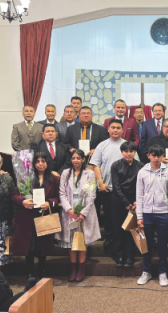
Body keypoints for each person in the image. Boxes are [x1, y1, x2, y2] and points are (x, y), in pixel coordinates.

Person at [90, 119, 140, 249]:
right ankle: (109, 238)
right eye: (113, 127)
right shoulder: (102, 145)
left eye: (118, 128)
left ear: (123, 130)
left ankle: (124, 242)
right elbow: (95, 165)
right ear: (108, 129)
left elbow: (137, 166)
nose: (115, 130)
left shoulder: (127, 146)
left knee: (124, 218)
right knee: (108, 216)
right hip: (107, 188)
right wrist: (100, 182)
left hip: (126, 191)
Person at [12, 152, 60, 279]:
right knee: (29, 246)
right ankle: (30, 273)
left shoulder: (54, 179)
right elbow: (15, 195)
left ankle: (42, 271)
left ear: (47, 163)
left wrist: (49, 203)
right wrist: (23, 201)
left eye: (43, 161)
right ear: (33, 163)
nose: (40, 164)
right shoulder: (25, 176)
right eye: (37, 161)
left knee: (42, 246)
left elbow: (58, 198)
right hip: (27, 217)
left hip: (43, 216)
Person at [56, 150, 100, 282]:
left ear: (83, 160)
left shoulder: (90, 174)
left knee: (82, 240)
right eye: (73, 158)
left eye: (78, 158)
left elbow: (91, 194)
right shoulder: (65, 173)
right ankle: (73, 268)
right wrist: (69, 210)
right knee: (71, 241)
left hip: (84, 212)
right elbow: (62, 193)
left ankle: (81, 268)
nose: (75, 160)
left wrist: (83, 212)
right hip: (69, 212)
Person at [136, 144, 168, 287]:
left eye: (158, 155)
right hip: (147, 214)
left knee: (163, 245)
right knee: (147, 245)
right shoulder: (142, 172)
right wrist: (139, 216)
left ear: (162, 156)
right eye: (153, 155)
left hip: (163, 214)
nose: (156, 158)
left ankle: (162, 272)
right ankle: (146, 271)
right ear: (148, 156)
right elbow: (139, 195)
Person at [111, 141, 144, 267]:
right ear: (121, 152)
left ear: (135, 152)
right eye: (126, 151)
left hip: (135, 200)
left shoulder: (141, 165)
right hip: (118, 200)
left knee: (131, 229)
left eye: (131, 151)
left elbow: (142, 185)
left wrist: (136, 201)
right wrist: (125, 202)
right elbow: (116, 186)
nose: (128, 154)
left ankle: (130, 256)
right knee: (118, 228)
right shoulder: (115, 165)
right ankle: (119, 255)